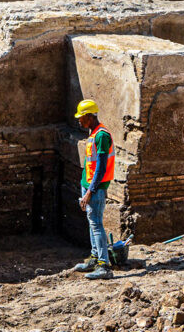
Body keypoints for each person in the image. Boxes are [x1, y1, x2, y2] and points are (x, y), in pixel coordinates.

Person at [73, 99, 116, 280]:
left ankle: (104, 266)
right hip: (88, 185)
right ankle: (94, 257)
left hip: (95, 188)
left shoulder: (102, 136)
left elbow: (101, 167)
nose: (79, 121)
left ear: (89, 117)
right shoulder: (94, 133)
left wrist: (90, 191)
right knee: (92, 222)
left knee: (97, 223)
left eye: (81, 118)